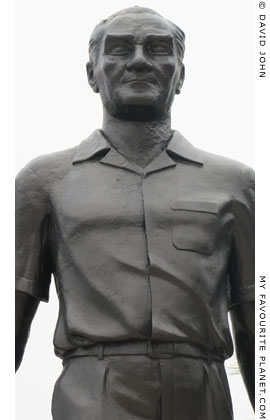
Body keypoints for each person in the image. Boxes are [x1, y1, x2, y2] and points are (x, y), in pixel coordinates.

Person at [16, 6, 254, 420]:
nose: (140, 59)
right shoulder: (44, 181)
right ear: (92, 73)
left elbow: (257, 317)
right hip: (93, 394)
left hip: (204, 395)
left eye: (158, 49)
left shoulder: (235, 183)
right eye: (121, 49)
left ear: (180, 75)